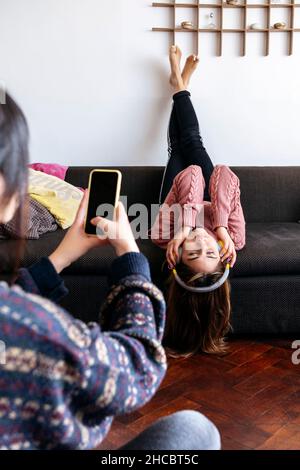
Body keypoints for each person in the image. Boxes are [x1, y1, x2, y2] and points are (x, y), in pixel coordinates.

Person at [0, 92, 220, 450]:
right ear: (10, 192)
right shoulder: (33, 330)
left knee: (188, 145)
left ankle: (181, 86)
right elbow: (137, 370)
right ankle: (181, 86)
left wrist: (60, 259)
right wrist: (130, 253)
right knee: (196, 430)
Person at [151, 46, 246, 357]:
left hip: (181, 188)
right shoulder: (233, 240)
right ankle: (179, 84)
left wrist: (183, 227)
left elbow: (191, 175)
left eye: (193, 251)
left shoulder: (164, 238)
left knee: (181, 150)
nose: (201, 240)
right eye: (210, 251)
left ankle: (180, 83)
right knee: (190, 142)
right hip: (213, 192)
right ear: (222, 255)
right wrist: (220, 228)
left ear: (177, 256)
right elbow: (223, 174)